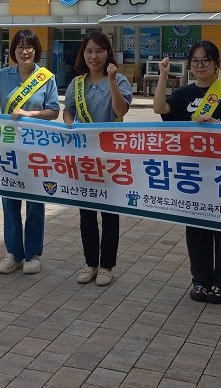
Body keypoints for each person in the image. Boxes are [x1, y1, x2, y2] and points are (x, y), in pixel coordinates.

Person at [153, 40, 221, 305]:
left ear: (216, 65)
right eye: (195, 61)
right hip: (193, 173)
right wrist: (163, 75)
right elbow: (160, 108)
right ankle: (200, 280)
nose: (199, 66)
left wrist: (218, 124)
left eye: (205, 61)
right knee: (196, 228)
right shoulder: (184, 94)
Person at [0, 29, 59, 275]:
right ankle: (13, 253)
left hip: (37, 149)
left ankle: (33, 254)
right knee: (9, 201)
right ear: (13, 51)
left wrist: (30, 114)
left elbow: (53, 111)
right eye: (19, 47)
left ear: (36, 50)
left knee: (35, 203)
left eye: (29, 46)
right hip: (9, 148)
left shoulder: (45, 77)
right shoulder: (4, 75)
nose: (24, 51)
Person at [63, 31, 132, 287]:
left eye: (99, 51)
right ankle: (91, 262)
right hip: (84, 158)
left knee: (110, 212)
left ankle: (107, 265)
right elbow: (68, 110)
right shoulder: (77, 83)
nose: (94, 56)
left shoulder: (120, 79)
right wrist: (69, 125)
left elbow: (120, 110)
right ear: (83, 54)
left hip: (111, 157)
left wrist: (112, 81)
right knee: (87, 213)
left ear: (108, 54)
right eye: (89, 51)